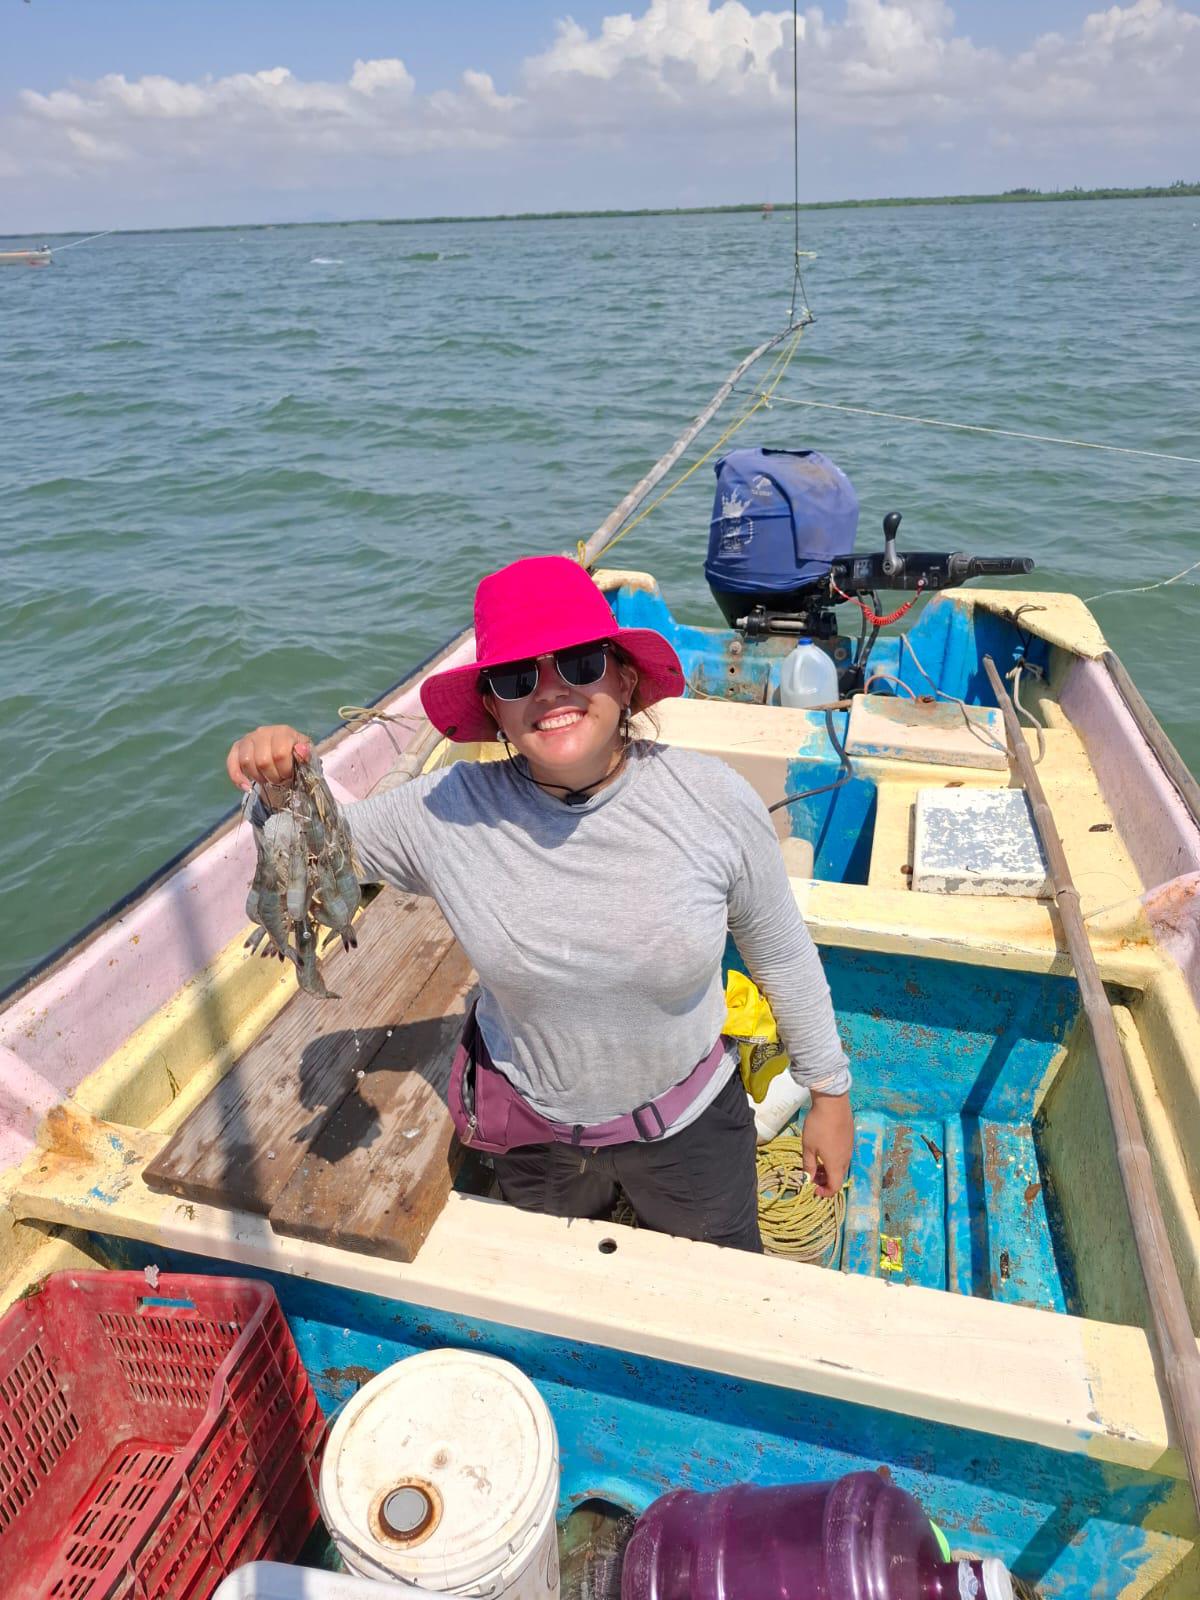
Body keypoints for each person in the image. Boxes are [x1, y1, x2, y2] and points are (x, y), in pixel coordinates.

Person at [227, 555, 853, 1252]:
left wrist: (829, 1092)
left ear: (623, 675)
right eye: (517, 678)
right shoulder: (447, 813)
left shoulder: (711, 799)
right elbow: (316, 863)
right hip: (533, 1135)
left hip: (690, 1125)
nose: (552, 693)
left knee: (724, 1298)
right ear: (492, 706)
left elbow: (781, 951)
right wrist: (275, 784)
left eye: (580, 663)